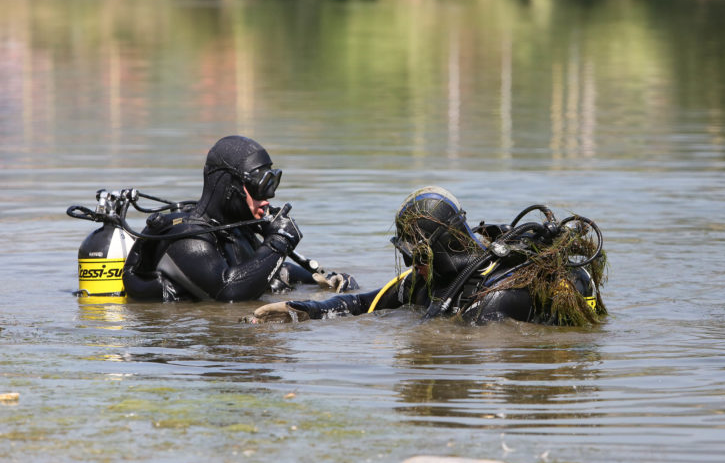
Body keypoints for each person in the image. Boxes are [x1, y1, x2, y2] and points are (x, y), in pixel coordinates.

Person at [244, 186, 606, 326]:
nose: (411, 263)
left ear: (444, 246)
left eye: (417, 253)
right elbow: (362, 303)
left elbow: (461, 345)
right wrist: (301, 309)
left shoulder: (494, 296)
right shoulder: (426, 279)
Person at [122, 135, 357, 302]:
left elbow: (270, 271)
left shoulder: (235, 228)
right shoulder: (188, 239)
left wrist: (324, 281)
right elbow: (229, 292)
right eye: (259, 187)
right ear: (229, 187)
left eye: (272, 184)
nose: (268, 198)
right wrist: (278, 242)